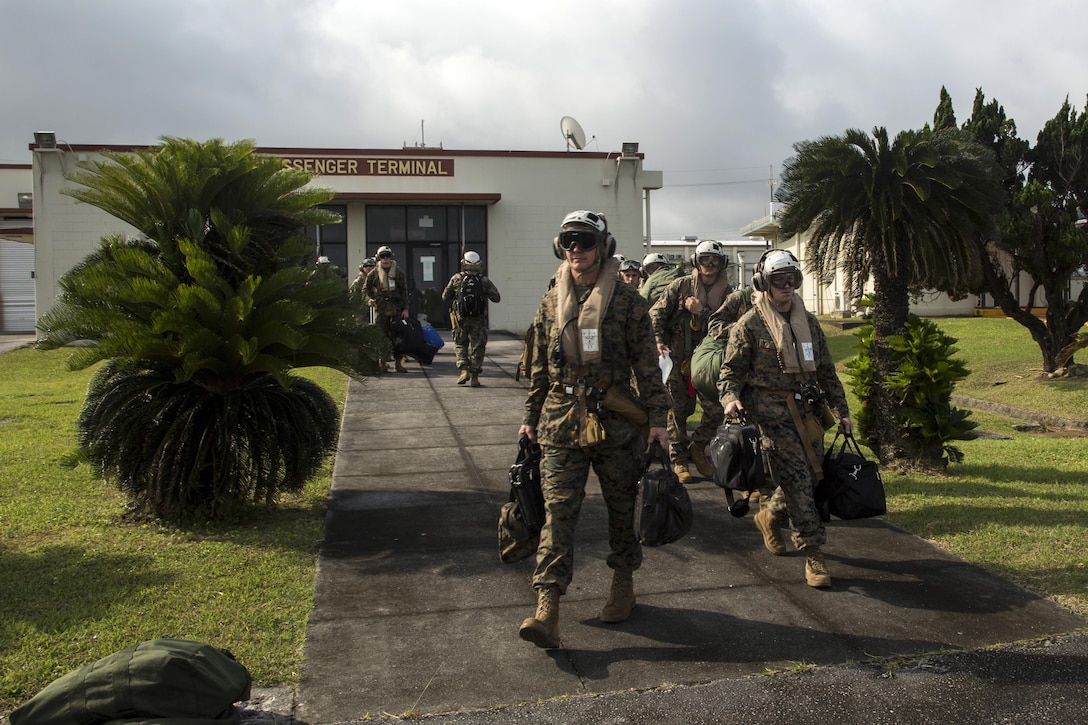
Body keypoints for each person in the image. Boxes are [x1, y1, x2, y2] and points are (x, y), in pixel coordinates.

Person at [517, 209, 670, 650]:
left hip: (616, 423)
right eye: (568, 242)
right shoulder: (551, 300)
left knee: (622, 509)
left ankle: (623, 582)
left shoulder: (628, 302)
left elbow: (648, 368)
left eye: (584, 242)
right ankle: (547, 608)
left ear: (603, 247)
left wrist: (658, 421)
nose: (575, 251)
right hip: (560, 421)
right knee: (557, 513)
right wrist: (530, 416)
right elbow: (541, 368)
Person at [718, 249, 852, 589]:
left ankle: (769, 515)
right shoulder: (749, 325)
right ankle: (813, 552)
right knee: (797, 479)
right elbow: (730, 372)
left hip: (808, 412)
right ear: (764, 283)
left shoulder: (809, 323)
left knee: (811, 474)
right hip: (769, 415)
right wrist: (730, 398)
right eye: (779, 280)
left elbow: (826, 372)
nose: (787, 286)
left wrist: (843, 411)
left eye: (793, 279)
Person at [649, 240, 733, 484]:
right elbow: (657, 313)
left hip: (709, 361)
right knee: (677, 410)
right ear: (697, 262)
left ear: (721, 264)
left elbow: (728, 326)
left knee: (717, 409)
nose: (709, 264)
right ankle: (679, 460)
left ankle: (698, 447)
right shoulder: (681, 285)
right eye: (704, 259)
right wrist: (657, 341)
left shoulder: (729, 293)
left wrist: (701, 312)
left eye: (714, 260)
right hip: (677, 357)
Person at [441, 250, 501, 387]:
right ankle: (475, 377)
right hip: (478, 319)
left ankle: (463, 370)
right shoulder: (484, 281)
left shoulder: (457, 278)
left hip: (460, 318)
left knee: (460, 344)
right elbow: (496, 298)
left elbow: (444, 296)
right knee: (478, 346)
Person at [365, 246, 410, 373]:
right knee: (381, 336)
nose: (385, 259)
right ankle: (382, 362)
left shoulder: (398, 273)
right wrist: (370, 299)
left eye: (388, 256)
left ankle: (398, 363)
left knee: (398, 336)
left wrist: (405, 308)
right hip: (381, 309)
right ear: (379, 258)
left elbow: (404, 291)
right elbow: (366, 289)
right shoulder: (373, 273)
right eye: (383, 257)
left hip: (396, 308)